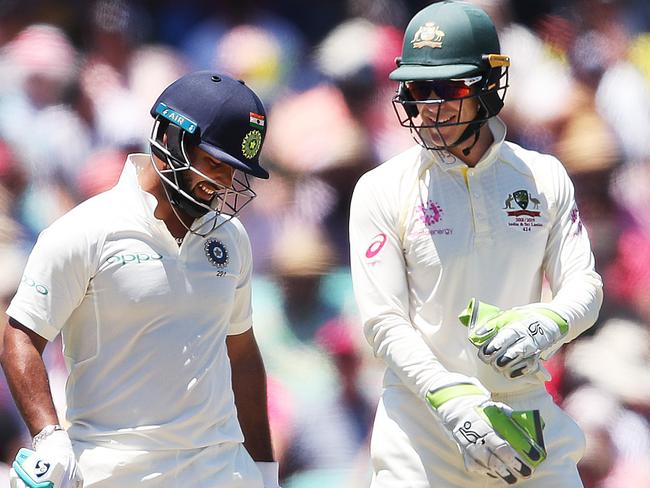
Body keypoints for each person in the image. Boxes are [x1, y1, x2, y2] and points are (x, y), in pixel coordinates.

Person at [349, 2, 603, 487]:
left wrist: (548, 322)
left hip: (524, 419)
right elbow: (383, 322)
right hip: (422, 432)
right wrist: (452, 400)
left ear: (489, 85)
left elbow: (584, 285)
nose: (429, 106)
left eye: (447, 88)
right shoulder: (382, 188)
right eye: (418, 89)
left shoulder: (542, 176)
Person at [0, 71, 280, 488]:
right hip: (114, 471)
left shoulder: (231, 237)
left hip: (220, 470)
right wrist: (49, 437)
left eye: (232, 172)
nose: (222, 185)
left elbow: (241, 354)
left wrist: (265, 471)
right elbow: (19, 336)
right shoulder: (85, 231)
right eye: (213, 165)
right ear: (169, 140)